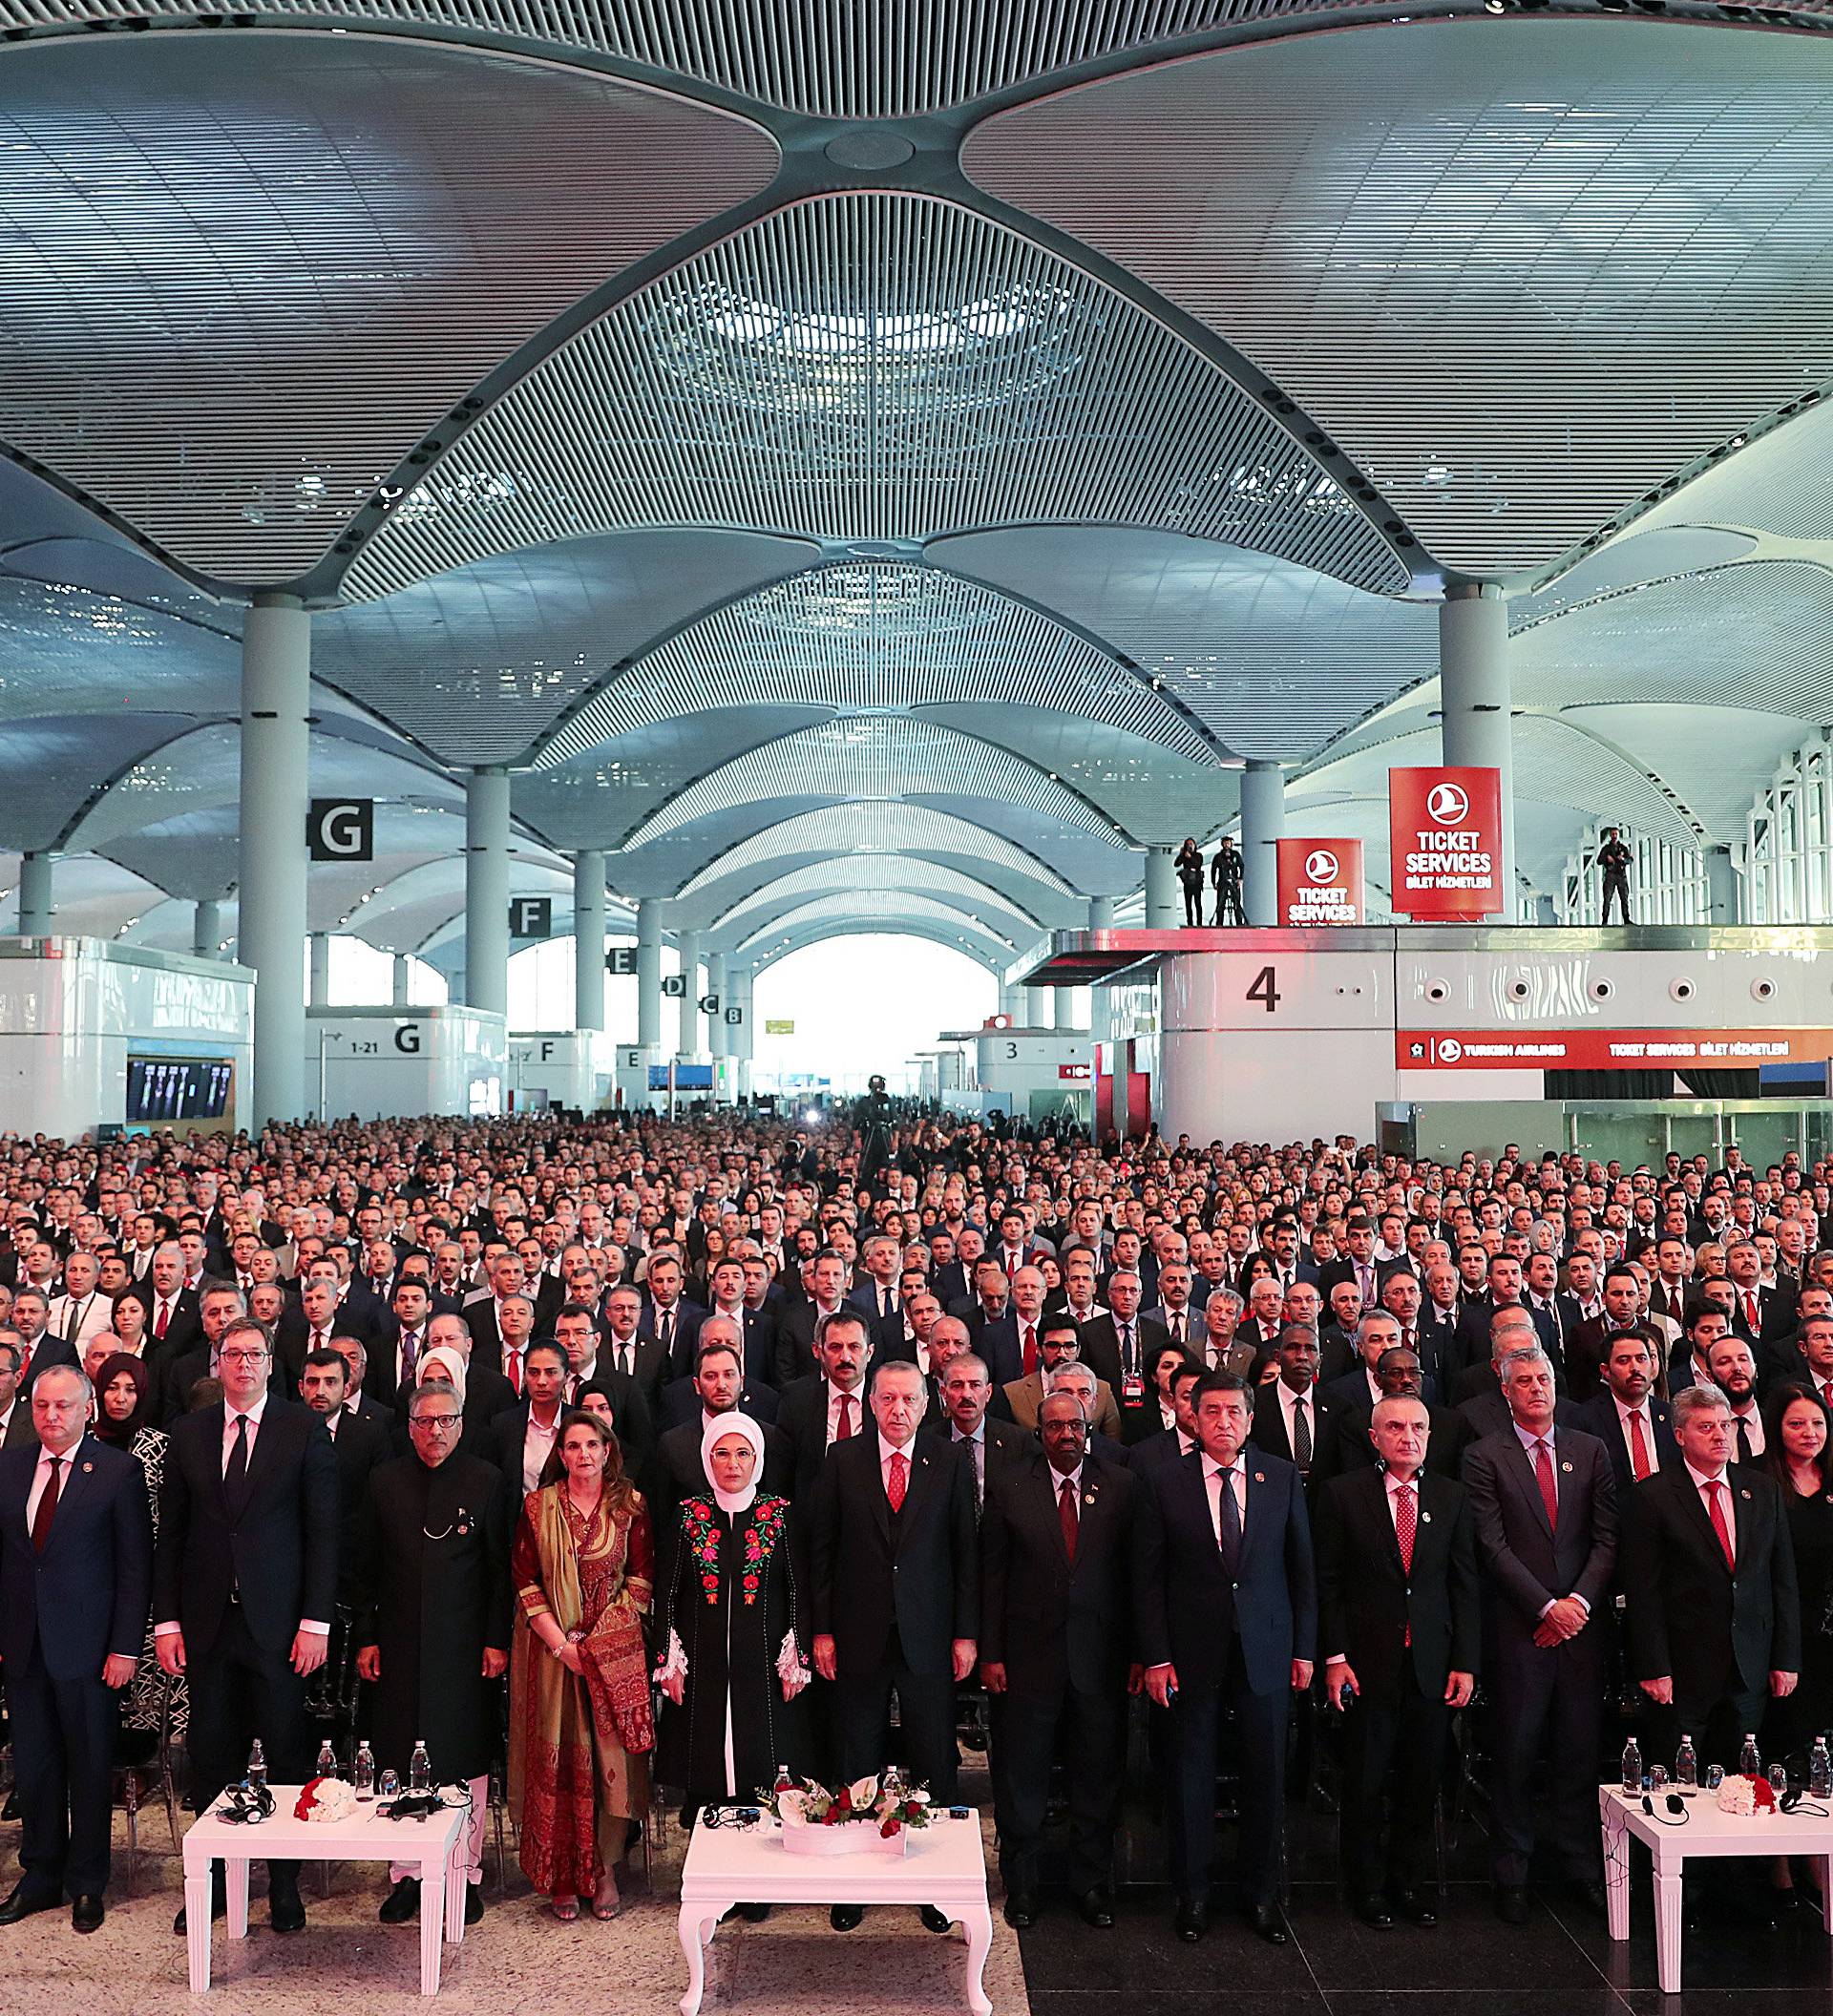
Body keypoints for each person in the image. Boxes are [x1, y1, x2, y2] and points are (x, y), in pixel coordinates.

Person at [153, 1316, 338, 1937]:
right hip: (207, 1625)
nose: (242, 1364)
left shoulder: (302, 1428)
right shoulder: (188, 1432)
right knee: (211, 1754)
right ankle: (216, 1884)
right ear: (217, 1363)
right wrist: (167, 1621)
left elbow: (322, 1535)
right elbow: (171, 1537)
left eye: (253, 1354)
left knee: (285, 1752)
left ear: (268, 1363)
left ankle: (284, 1886)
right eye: (231, 1354)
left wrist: (315, 1622)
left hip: (281, 1625)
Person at [1133, 1370, 1316, 1945]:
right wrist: (1157, 1657)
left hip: (1265, 1650)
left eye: (1234, 1412)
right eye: (1210, 1411)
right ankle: (1193, 1895)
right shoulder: (1164, 1481)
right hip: (1190, 1654)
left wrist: (1305, 1651)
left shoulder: (1280, 1477)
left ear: (1250, 1418)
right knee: (1191, 1778)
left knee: (1266, 1775)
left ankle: (1262, 1897)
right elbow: (1149, 1581)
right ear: (1192, 1415)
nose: (1222, 1423)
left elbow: (1301, 1571)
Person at [808, 1358, 979, 1934]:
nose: (898, 1410)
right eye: (888, 1399)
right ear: (871, 1402)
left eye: (909, 1399)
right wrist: (823, 1631)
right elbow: (823, 1554)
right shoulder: (843, 1460)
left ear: (925, 1404)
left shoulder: (950, 1461)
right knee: (858, 1756)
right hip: (858, 1633)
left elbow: (964, 1555)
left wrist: (965, 1633)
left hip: (929, 1634)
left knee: (934, 1757)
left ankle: (936, 1888)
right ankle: (853, 1883)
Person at [1462, 1345, 1617, 1924]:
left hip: (1580, 1631)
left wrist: (1575, 1604)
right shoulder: (1484, 1456)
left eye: (1544, 1379)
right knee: (1516, 1753)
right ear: (1506, 1391)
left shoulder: (1589, 1449)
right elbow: (1491, 1545)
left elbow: (1606, 1539)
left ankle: (1579, 1865)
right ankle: (1513, 1871)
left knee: (1579, 1751)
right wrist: (1545, 1607)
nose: (1536, 1388)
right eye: (1523, 1381)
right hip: (1518, 1629)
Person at [1316, 1394, 1479, 1927]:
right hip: (1366, 1664)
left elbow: (1463, 1585)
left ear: (1431, 1436)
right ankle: (1366, 1888)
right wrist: (1335, 1656)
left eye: (1418, 1428)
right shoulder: (1343, 1494)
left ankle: (1407, 1884)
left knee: (1421, 1779)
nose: (1408, 1436)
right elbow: (1329, 1583)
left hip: (1431, 1665)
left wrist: (1464, 1660)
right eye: (1395, 1427)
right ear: (1374, 1437)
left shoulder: (1452, 1497)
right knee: (1364, 1780)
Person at [0, 1364, 152, 1934]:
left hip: (91, 1652)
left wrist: (124, 1648)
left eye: (63, 1405)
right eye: (41, 1406)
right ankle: (41, 1875)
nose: (51, 1416)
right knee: (34, 1768)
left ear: (87, 1408)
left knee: (89, 1766)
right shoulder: (10, 1466)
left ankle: (88, 1882)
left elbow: (135, 1568)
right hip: (24, 1647)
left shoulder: (116, 1471)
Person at [355, 1378, 511, 1927]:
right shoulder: (383, 1481)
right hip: (395, 1644)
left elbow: (499, 1573)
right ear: (410, 1427)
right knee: (398, 1752)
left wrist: (497, 1640)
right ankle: (407, 1875)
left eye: (446, 1421)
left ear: (461, 1425)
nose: (435, 1431)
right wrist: (367, 1639)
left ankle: (463, 1875)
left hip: (466, 1647)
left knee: (462, 1758)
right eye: (425, 1422)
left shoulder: (487, 1481)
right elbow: (366, 1569)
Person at [980, 1390, 1135, 1930]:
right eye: (1055, 1427)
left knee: (1097, 1775)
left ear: (1089, 1429)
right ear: (1038, 1433)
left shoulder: (1120, 1485)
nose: (1066, 1434)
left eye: (1076, 1425)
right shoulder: (1010, 1486)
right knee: (1023, 1776)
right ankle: (1022, 1884)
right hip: (1027, 1660)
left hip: (1101, 1659)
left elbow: (1133, 1578)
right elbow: (992, 1576)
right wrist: (992, 1653)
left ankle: (1091, 1883)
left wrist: (1138, 1656)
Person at [509, 1410, 654, 1921]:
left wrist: (595, 1647)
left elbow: (640, 1583)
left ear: (607, 1450)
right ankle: (563, 1876)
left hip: (611, 1661)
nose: (583, 1455)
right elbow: (527, 1584)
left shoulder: (631, 1506)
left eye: (592, 1445)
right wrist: (562, 1648)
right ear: (561, 1454)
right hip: (553, 1662)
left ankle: (606, 1870)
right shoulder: (538, 1507)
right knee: (562, 1761)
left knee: (608, 1763)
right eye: (572, 1446)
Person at [1623, 1380, 1800, 1773]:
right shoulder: (1653, 1496)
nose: (1719, 1435)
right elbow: (1643, 1593)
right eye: (1706, 1427)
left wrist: (1786, 1659)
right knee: (1681, 1786)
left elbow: (1782, 1581)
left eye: (1725, 1425)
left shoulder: (1763, 1489)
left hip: (1750, 1666)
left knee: (1744, 1785)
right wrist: (1654, 1667)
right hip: (1683, 1673)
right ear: (1680, 1435)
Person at [654, 1413, 811, 1852]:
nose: (732, 1464)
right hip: (702, 1670)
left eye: (743, 1454)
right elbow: (668, 1591)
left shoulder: (778, 1516)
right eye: (722, 1453)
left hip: (762, 1668)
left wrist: (794, 1658)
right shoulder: (689, 1517)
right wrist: (669, 1660)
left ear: (757, 1460)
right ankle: (711, 1867)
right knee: (705, 1771)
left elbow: (797, 1590)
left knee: (765, 1772)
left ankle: (759, 1878)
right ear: (707, 1459)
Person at [88, 1351, 186, 1751]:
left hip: (146, 1575)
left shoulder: (161, 1447)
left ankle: (140, 1755)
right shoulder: (83, 1443)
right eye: (112, 1388)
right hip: (92, 1576)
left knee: (143, 1672)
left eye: (130, 1389)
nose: (120, 1398)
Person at [1761, 1383, 1833, 1772]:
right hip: (1780, 1633)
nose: (1810, 1433)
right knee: (1786, 1745)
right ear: (1777, 1428)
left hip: (1828, 1631)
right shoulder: (1756, 1479)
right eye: (1797, 1424)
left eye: (1819, 1423)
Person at [1597, 826, 1633, 925]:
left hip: (1621, 875)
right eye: (1613, 834)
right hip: (1610, 875)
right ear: (1610, 835)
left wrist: (1623, 860)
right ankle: (1605, 920)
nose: (1614, 836)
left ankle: (1626, 918)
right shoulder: (1606, 849)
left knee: (1624, 898)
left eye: (1616, 834)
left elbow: (1630, 860)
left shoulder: (1623, 848)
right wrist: (1607, 860)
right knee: (1607, 898)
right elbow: (1599, 861)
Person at [1211, 834, 1245, 926]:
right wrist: (1214, 882)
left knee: (1237, 903)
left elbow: (1241, 866)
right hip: (1222, 881)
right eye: (1225, 843)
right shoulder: (1218, 856)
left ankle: (1239, 923)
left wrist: (1240, 879)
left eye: (1228, 843)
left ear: (1231, 844)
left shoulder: (1236, 855)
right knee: (1220, 904)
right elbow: (1214, 870)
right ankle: (1219, 923)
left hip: (1234, 881)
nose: (1227, 845)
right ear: (1222, 844)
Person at [1174, 837, 1205, 928]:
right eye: (1188, 844)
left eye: (1191, 844)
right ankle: (1190, 923)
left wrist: (1190, 857)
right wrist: (1181, 854)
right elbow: (1176, 864)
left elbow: (1198, 864)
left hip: (1197, 882)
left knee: (1198, 903)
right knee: (1188, 904)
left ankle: (1199, 923)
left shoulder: (1198, 855)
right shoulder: (1184, 855)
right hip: (1187, 883)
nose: (1190, 846)